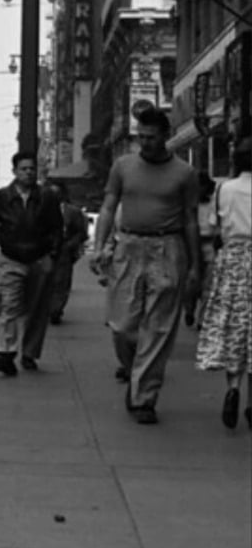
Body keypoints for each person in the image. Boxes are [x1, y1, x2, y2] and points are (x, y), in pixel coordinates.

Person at [89, 106, 199, 425]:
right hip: (129, 247)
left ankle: (143, 397)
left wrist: (194, 267)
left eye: (151, 137)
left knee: (160, 328)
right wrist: (99, 247)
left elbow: (191, 220)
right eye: (141, 137)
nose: (145, 143)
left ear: (165, 136)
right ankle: (135, 370)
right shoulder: (123, 166)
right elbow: (108, 208)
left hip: (169, 248)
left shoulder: (184, 173)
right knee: (122, 325)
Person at [0, 151, 63, 376]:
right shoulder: (1, 197)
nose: (28, 173)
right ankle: (5, 352)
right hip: (11, 260)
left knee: (36, 310)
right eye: (23, 169)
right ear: (14, 171)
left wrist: (53, 255)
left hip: (40, 259)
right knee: (9, 306)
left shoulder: (48, 197)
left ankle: (30, 353)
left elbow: (57, 229)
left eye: (32, 169)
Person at [195, 137, 252, 429]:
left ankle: (233, 388)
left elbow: (215, 226)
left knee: (233, 326)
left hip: (232, 260)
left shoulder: (224, 190)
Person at [46, 181, 88, 325]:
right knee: (46, 281)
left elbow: (81, 233)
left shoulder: (73, 212)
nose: (54, 195)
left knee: (61, 282)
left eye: (56, 192)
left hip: (64, 250)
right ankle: (47, 308)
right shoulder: (41, 209)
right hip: (45, 250)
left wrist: (70, 245)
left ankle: (56, 310)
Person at [184, 172, 219, 328]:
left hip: (209, 245)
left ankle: (202, 319)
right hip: (191, 246)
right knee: (191, 284)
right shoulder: (187, 205)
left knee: (208, 286)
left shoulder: (214, 203)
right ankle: (189, 309)